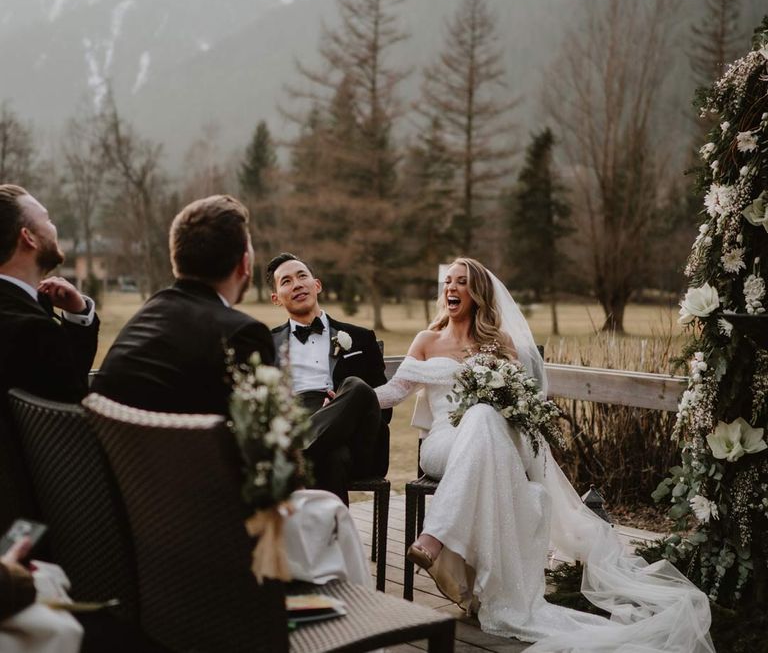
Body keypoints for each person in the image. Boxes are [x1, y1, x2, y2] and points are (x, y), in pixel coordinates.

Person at [375, 258, 714, 652]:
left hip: (490, 444)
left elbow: (517, 408)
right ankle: (440, 540)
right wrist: (355, 395)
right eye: (447, 281)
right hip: (443, 445)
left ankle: (435, 537)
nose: (451, 288)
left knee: (484, 416)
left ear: (477, 292)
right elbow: (395, 391)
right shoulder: (426, 340)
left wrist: (495, 401)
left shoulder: (501, 344)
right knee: (479, 422)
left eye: (462, 282)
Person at [93, 195, 274, 414]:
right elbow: (258, 436)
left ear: (176, 260)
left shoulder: (150, 312)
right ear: (245, 264)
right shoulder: (244, 335)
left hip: (114, 445)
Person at [0, 184, 99, 531]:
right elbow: (72, 420)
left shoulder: (28, 310)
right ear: (28, 237)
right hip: (43, 515)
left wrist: (77, 315)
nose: (53, 227)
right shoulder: (30, 329)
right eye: (48, 219)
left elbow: (59, 378)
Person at [267, 253, 390, 505]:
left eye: (302, 276)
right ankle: (333, 543)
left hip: (357, 440)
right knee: (330, 456)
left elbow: (382, 411)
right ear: (276, 298)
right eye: (286, 281)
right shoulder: (266, 345)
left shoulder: (361, 338)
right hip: (307, 429)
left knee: (356, 387)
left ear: (317, 285)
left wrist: (340, 409)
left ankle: (293, 452)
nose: (298, 284)